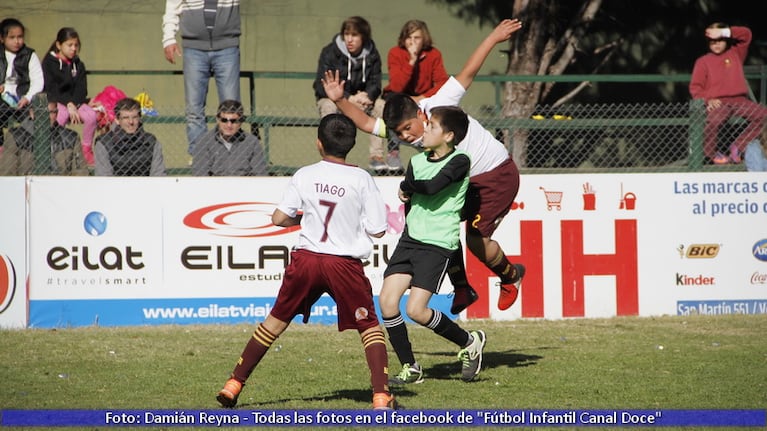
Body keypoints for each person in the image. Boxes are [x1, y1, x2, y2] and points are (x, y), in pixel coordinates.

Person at [322, 19, 525, 315]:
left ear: (420, 113)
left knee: (475, 240)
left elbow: (467, 74)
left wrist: (493, 38)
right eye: (400, 134)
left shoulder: (439, 104)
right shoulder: (403, 129)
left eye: (407, 128)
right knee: (436, 224)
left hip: (495, 175)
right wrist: (339, 100)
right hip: (462, 181)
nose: (406, 137)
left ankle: (511, 277)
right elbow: (366, 123)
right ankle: (462, 287)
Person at [216, 113, 396, 410]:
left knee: (273, 323)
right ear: (351, 145)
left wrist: (301, 217)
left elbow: (278, 218)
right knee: (370, 327)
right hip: (343, 264)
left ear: (318, 144)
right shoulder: (362, 178)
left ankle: (233, 384)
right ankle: (380, 396)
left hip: (307, 260)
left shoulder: (305, 174)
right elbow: (377, 229)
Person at [379, 105, 486, 385]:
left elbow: (432, 186)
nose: (424, 130)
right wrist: (407, 190)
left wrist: (407, 187)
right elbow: (412, 192)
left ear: (448, 135)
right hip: (410, 240)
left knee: (416, 311)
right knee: (387, 303)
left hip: (437, 244)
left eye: (432, 127)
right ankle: (410, 367)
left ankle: (469, 341)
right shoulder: (417, 161)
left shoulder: (461, 160)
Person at [162, 0, 242, 156]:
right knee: (194, 109)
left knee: (231, 109)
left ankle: (232, 157)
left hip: (227, 46)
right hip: (193, 48)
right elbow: (172, 6)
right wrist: (169, 38)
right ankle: (200, 158)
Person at [311, 16, 387, 172]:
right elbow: (321, 85)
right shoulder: (330, 52)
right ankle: (329, 156)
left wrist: (367, 96)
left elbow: (375, 83)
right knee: (327, 106)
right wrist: (348, 98)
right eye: (346, 34)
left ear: (363, 37)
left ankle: (376, 157)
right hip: (336, 100)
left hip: (362, 102)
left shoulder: (372, 54)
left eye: (354, 35)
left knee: (381, 105)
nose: (349, 39)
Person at [690, 23, 767, 165]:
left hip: (740, 101)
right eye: (713, 41)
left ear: (726, 39)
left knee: (764, 116)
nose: (717, 44)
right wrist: (708, 100)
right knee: (714, 120)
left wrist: (724, 31)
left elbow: (746, 35)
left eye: (720, 40)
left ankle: (738, 146)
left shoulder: (735, 53)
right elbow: (695, 87)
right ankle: (711, 154)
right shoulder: (703, 61)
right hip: (718, 102)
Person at [381, 19, 449, 172]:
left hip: (424, 98)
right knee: (390, 104)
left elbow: (442, 82)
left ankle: (436, 148)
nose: (412, 42)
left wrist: (423, 96)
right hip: (399, 98)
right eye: (408, 38)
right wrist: (411, 61)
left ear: (424, 38)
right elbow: (397, 86)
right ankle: (393, 152)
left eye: (416, 38)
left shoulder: (433, 54)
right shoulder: (395, 53)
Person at [41, 27, 100, 167]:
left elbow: (81, 89)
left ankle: (86, 149)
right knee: (60, 116)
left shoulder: (78, 65)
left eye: (76, 45)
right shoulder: (49, 63)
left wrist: (74, 103)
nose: (73, 49)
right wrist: (68, 104)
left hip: (75, 102)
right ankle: (56, 149)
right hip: (57, 101)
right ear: (58, 45)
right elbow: (51, 88)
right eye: (69, 45)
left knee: (91, 116)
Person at [0, 102, 88, 176]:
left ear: (57, 114)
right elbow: (8, 174)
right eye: (41, 112)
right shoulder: (16, 137)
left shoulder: (71, 138)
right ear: (32, 113)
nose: (45, 117)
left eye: (50, 112)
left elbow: (80, 173)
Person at [192, 99, 268, 176]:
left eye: (233, 121)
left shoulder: (252, 142)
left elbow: (260, 173)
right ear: (217, 120)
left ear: (241, 122)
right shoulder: (204, 141)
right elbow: (200, 174)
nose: (229, 125)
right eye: (224, 120)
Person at [93, 98, 166, 176]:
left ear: (140, 118)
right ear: (117, 120)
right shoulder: (104, 143)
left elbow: (158, 175)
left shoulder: (151, 142)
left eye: (135, 117)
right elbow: (104, 178)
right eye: (126, 118)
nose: (131, 122)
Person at [0, 18, 43, 149]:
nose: (17, 41)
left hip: (22, 99)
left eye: (20, 37)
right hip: (2, 99)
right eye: (12, 37)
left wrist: (28, 97)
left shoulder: (29, 55)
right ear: (2, 39)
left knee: (33, 120)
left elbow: (38, 81)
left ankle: (30, 150)